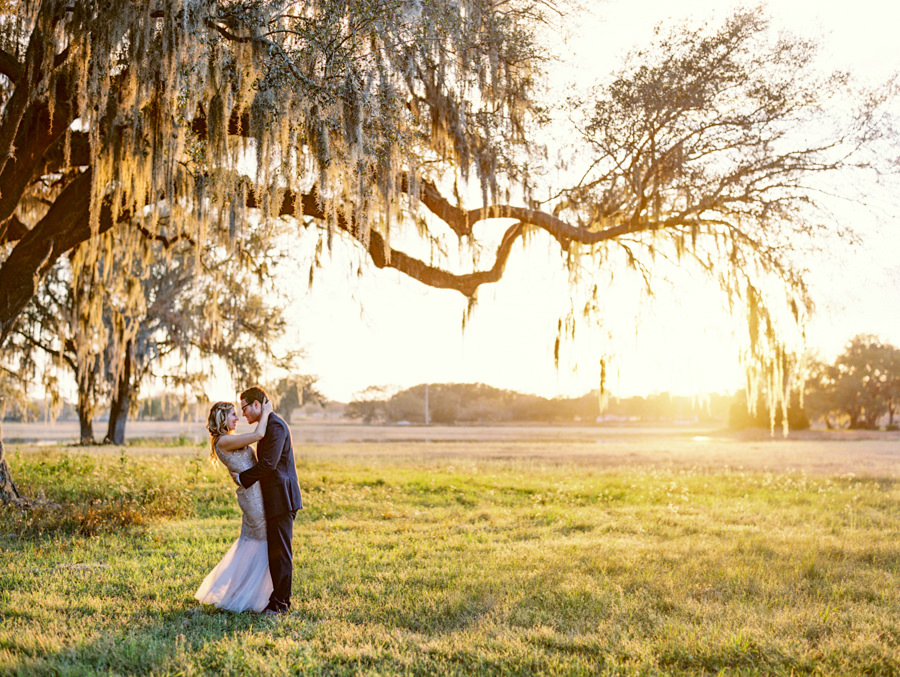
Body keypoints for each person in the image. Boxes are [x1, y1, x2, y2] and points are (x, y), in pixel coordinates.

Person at [195, 398, 275, 613]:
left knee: (252, 543)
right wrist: (266, 411)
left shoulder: (228, 440)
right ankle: (252, 596)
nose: (237, 417)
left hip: (254, 492)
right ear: (222, 418)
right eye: (232, 414)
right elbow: (258, 435)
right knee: (261, 542)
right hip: (253, 498)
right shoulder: (222, 441)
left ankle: (244, 592)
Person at [232, 385, 303, 616]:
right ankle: (275, 599)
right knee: (274, 552)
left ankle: (281, 604)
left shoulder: (275, 426)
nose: (243, 415)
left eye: (245, 409)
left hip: (282, 498)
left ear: (257, 404)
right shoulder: (268, 426)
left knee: (281, 553)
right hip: (274, 498)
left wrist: (243, 478)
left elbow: (269, 464)